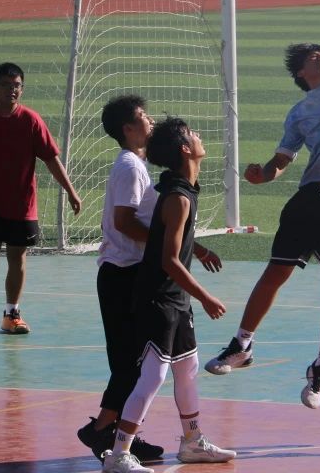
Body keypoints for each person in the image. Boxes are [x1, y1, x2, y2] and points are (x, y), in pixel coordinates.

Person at [205, 0, 320, 410]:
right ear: (301, 74)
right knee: (275, 272)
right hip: (310, 199)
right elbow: (282, 160)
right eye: (313, 58)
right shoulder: (299, 112)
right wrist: (262, 174)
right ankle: (242, 345)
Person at [101, 117, 235, 473]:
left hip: (175, 299)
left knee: (188, 368)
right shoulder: (177, 198)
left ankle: (192, 442)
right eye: (193, 134)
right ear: (185, 150)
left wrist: (199, 253)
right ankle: (118, 454)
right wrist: (205, 297)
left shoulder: (184, 190)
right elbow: (169, 260)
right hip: (157, 299)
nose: (199, 136)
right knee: (154, 376)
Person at [0, 62, 81, 335]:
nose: (11, 90)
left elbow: (51, 159)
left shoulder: (31, 120)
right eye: (5, 85)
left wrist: (71, 191)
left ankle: (12, 314)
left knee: (17, 258)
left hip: (23, 205)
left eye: (16, 86)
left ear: (22, 89)